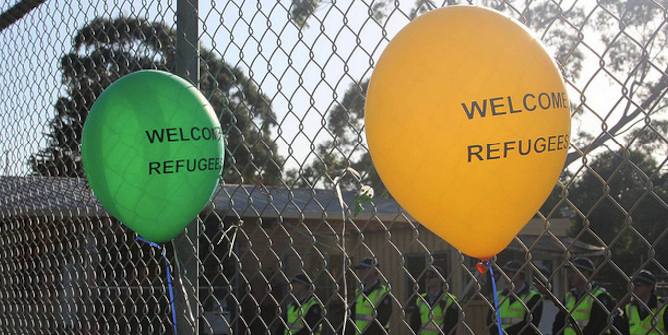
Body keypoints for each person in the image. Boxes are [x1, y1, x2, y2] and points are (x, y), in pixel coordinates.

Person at [552, 257, 616, 335]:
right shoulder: (569, 296)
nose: (570, 276)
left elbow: (597, 327)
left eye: (573, 272)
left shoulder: (600, 296)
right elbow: (558, 323)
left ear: (585, 274)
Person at [488, 260, 543, 335]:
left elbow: (530, 325)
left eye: (508, 273)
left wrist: (505, 333)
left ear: (518, 274)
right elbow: (490, 320)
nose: (504, 276)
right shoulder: (499, 295)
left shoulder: (534, 297)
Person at [410, 265, 460, 335]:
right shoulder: (420, 300)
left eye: (431, 277)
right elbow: (414, 324)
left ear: (440, 278)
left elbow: (450, 327)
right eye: (426, 277)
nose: (427, 279)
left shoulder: (450, 300)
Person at [349, 257, 392, 335]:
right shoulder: (358, 292)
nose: (360, 272)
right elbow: (351, 316)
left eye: (363, 269)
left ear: (372, 271)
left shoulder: (383, 293)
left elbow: (382, 320)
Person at [625, 269, 668, 335]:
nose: (634, 287)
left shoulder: (663, 306)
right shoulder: (629, 308)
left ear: (650, 287)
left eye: (638, 285)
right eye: (632, 284)